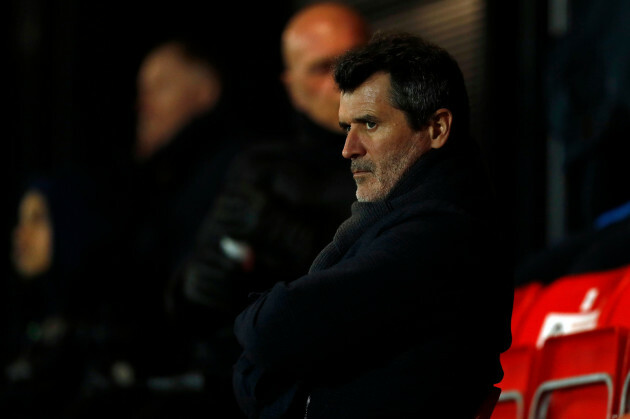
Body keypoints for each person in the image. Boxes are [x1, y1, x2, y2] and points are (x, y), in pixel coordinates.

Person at [232, 31, 514, 418]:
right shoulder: (400, 223)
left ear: (437, 129)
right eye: (346, 127)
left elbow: (271, 331)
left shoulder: (441, 235)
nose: (349, 148)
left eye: (369, 124)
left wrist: (257, 321)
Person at [164, 2, 371, 417]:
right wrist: (205, 277)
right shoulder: (259, 169)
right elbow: (190, 297)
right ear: (292, 86)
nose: (340, 80)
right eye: (319, 68)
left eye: (353, 61)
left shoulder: (413, 155)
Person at [1, 176, 113, 418]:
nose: (20, 234)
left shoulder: (98, 332)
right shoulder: (32, 319)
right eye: (21, 220)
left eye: (37, 219)